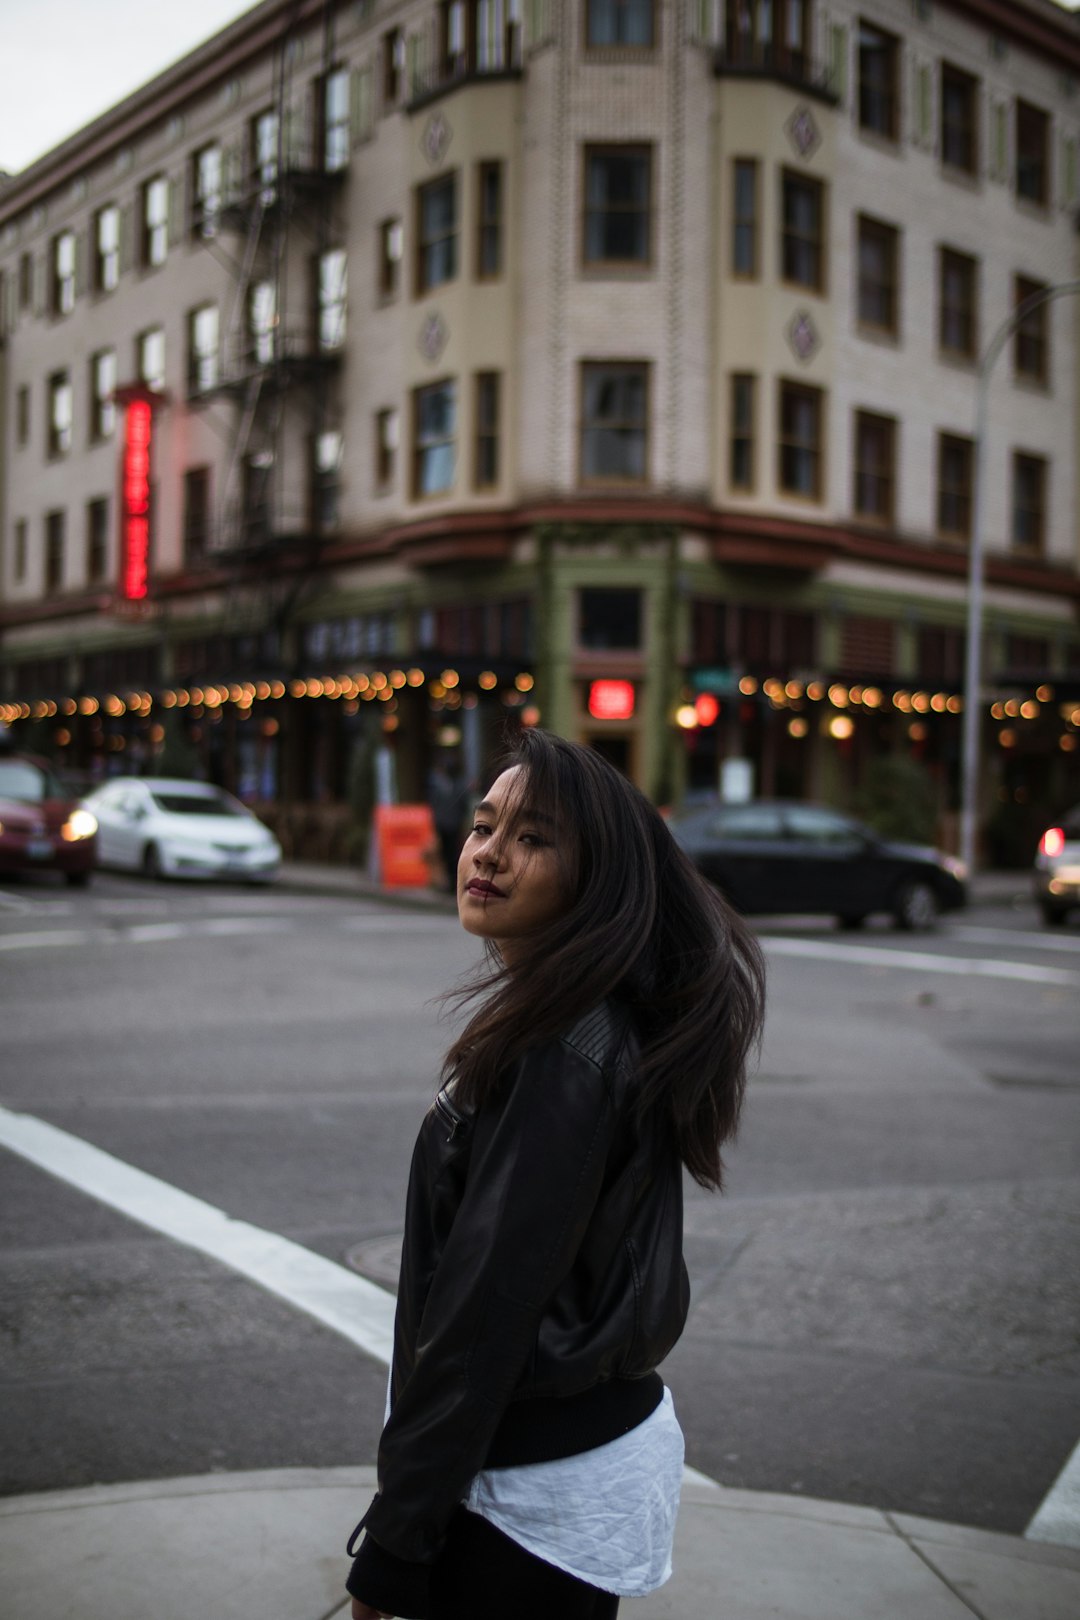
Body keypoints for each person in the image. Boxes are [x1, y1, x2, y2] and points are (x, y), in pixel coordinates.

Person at [346, 728, 766, 1620]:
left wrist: (395, 1540)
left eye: (533, 838)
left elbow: (485, 1312)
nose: (489, 854)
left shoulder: (563, 1050)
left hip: (527, 1490)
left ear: (594, 879)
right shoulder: (590, 1021)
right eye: (483, 825)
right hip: (559, 1458)